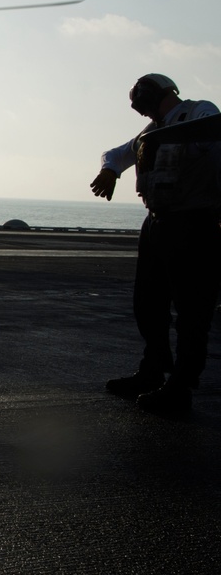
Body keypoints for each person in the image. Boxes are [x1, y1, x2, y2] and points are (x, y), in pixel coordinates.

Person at [90, 73, 221, 414]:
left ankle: (181, 386)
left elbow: (211, 136)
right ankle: (153, 370)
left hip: (194, 222)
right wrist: (110, 169)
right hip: (157, 223)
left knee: (192, 311)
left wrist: (158, 141)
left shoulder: (198, 113)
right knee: (148, 303)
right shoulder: (149, 133)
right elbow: (116, 153)